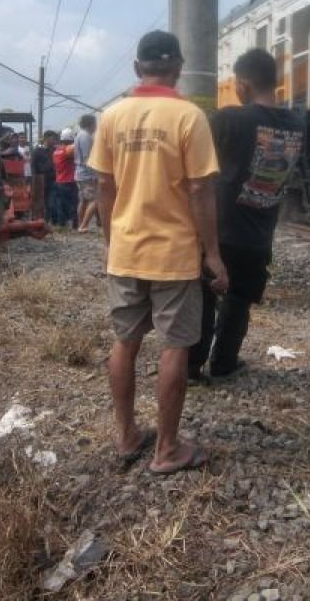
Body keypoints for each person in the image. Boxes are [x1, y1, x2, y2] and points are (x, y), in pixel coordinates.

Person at [88, 29, 227, 475]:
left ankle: (127, 435)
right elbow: (201, 189)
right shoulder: (189, 118)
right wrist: (213, 254)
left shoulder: (111, 117)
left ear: (137, 69)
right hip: (173, 253)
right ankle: (167, 450)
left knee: (125, 343)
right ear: (179, 69)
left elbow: (103, 187)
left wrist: (113, 240)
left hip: (127, 249)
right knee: (174, 346)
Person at [189, 48, 304, 382]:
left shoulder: (229, 118)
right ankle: (224, 363)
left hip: (220, 228)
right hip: (260, 232)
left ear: (242, 83)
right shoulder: (298, 123)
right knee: (239, 301)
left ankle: (192, 368)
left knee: (205, 297)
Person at [74, 114, 99, 233]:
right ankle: (83, 225)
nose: (96, 125)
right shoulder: (86, 136)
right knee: (96, 199)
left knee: (83, 200)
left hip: (80, 173)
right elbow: (87, 157)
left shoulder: (80, 135)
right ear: (91, 124)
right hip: (87, 174)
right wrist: (95, 173)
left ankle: (80, 224)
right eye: (95, 123)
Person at [52, 127, 78, 229]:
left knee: (61, 204)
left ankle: (61, 224)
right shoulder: (67, 150)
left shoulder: (56, 151)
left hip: (59, 180)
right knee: (73, 204)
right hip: (69, 181)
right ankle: (74, 224)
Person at [32, 130, 58, 222]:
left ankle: (53, 220)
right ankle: (43, 220)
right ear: (46, 138)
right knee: (42, 200)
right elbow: (33, 167)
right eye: (53, 139)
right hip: (41, 180)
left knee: (52, 200)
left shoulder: (55, 151)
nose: (55, 141)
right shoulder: (37, 151)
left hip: (53, 179)